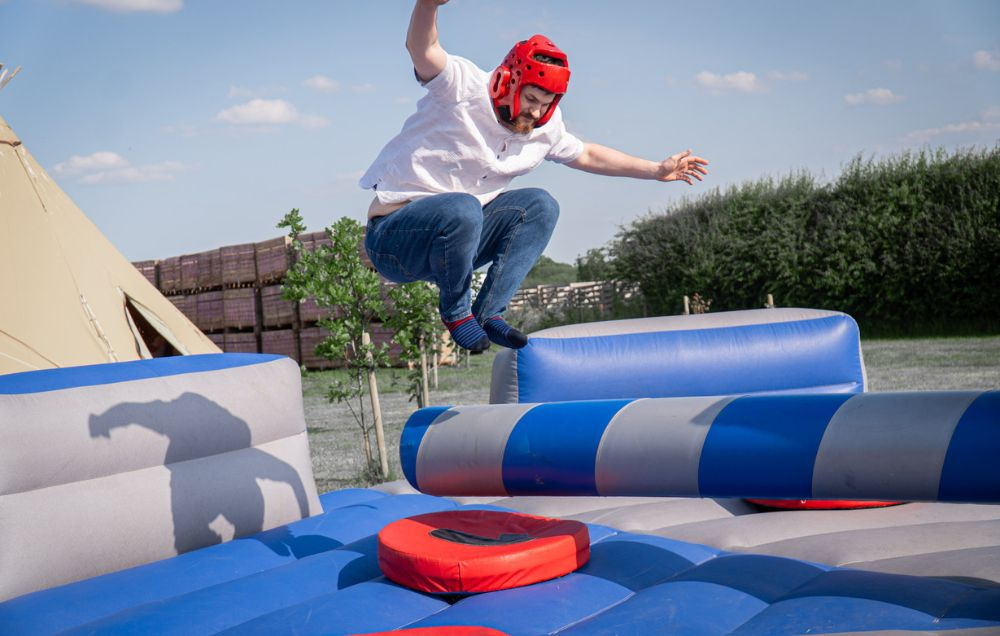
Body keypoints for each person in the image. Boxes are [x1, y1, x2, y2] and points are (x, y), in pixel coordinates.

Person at [361, 0, 708, 352]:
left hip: (457, 246)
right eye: (530, 99)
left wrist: (656, 170)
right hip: (395, 242)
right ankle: (455, 312)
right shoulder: (462, 86)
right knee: (464, 207)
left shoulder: (544, 127)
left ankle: (489, 313)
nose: (536, 111)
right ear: (508, 82)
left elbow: (586, 153)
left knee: (540, 205)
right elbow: (423, 47)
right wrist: (428, 5)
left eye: (546, 103)